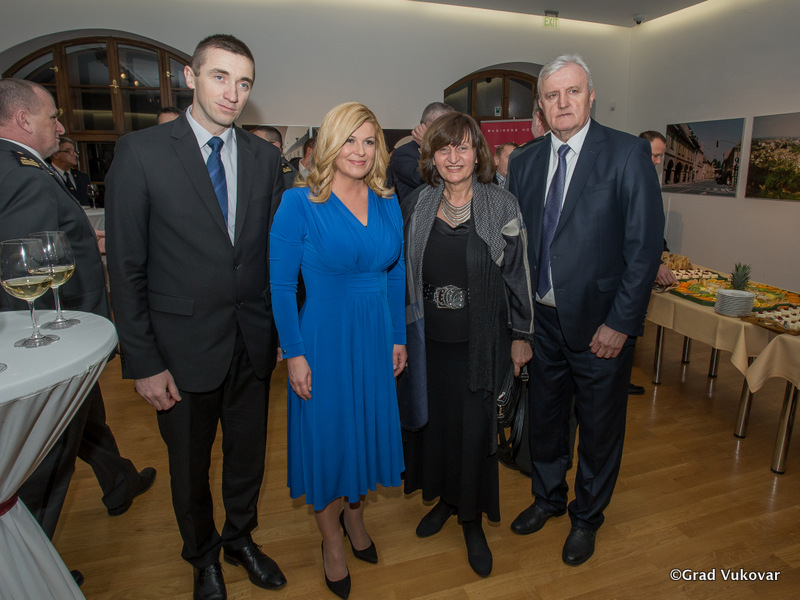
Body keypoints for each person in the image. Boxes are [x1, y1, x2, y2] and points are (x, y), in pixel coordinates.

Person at [105, 34, 286, 600]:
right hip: (179, 351)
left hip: (251, 343)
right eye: (220, 77)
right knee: (188, 467)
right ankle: (202, 555)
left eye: (244, 82)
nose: (233, 93)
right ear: (191, 77)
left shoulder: (264, 158)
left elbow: (270, 256)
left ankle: (240, 539)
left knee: (247, 458)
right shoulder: (142, 153)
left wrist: (281, 331)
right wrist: (143, 361)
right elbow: (126, 269)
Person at [506, 54, 664, 566]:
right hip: (543, 322)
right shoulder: (526, 162)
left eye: (572, 92)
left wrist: (620, 323)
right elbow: (517, 251)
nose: (563, 103)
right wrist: (521, 326)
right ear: (541, 105)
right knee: (546, 420)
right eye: (552, 95)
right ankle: (548, 498)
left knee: (598, 428)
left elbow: (644, 249)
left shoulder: (626, 154)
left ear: (591, 96)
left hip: (600, 326)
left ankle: (586, 517)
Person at [0, 78, 156, 585]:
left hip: (56, 338)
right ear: (23, 119)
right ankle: (33, 567)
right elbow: (26, 272)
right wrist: (49, 351)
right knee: (46, 461)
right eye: (52, 116)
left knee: (83, 418)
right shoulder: (22, 174)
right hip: (53, 340)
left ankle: (118, 480)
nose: (61, 126)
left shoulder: (16, 169)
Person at [270, 102, 406, 599]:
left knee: (363, 433)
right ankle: (331, 542)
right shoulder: (299, 203)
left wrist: (398, 336)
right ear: (329, 143)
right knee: (328, 440)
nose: (360, 151)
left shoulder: (387, 200)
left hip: (375, 335)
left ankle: (356, 519)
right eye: (350, 139)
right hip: (324, 339)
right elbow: (281, 286)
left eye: (369, 141)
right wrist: (295, 353)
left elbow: (396, 273)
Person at [400, 112, 534, 577]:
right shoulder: (418, 203)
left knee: (475, 432)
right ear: (432, 156)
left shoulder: (501, 204)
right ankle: (446, 500)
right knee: (437, 427)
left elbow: (518, 275)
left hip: (481, 343)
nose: (453, 157)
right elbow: (403, 275)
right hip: (429, 343)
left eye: (462, 147)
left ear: (478, 153)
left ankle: (471, 519)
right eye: (444, 148)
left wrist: (522, 336)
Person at [387, 102, 454, 202]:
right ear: (429, 127)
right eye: (448, 127)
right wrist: (429, 146)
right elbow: (424, 180)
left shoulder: (453, 152)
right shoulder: (403, 153)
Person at [639, 130, 678, 287]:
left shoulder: (649, 176)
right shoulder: (632, 178)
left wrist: (662, 249)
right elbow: (640, 227)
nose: (659, 161)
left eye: (661, 156)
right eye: (655, 155)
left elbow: (652, 221)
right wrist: (655, 263)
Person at [251, 125, 298, 190]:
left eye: (259, 143)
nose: (254, 147)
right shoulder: (269, 168)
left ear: (275, 146)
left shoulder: (286, 174)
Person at [48, 136, 91, 206]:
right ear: (56, 154)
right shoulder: (47, 176)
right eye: (69, 151)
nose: (75, 155)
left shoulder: (82, 177)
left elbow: (90, 202)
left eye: (75, 151)